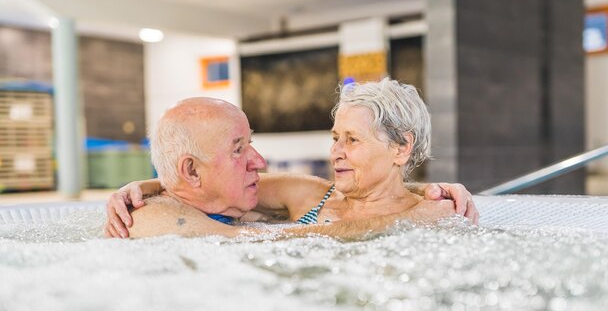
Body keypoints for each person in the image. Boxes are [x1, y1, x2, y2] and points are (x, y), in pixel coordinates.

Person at [105, 79, 478, 239]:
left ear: (401, 148)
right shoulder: (309, 197)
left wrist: (425, 195)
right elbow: (198, 190)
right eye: (335, 138)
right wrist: (142, 185)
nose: (336, 151)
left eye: (352, 139)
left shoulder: (438, 215)